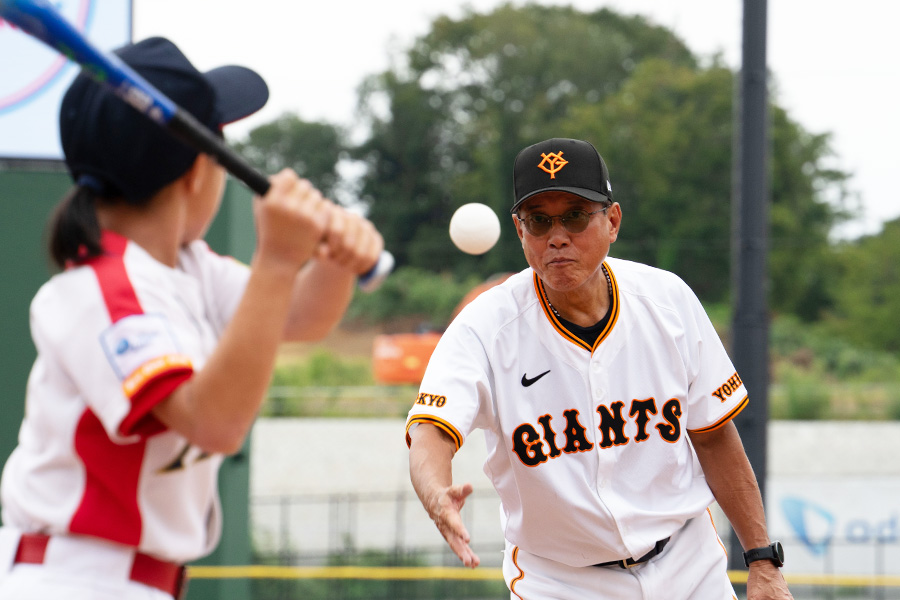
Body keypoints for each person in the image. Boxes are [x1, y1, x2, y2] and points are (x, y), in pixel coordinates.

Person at [0, 37, 383, 600]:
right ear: (194, 170)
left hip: (128, 580)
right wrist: (276, 257)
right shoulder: (102, 290)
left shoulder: (188, 268)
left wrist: (331, 260)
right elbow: (213, 423)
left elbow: (298, 317)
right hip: (75, 577)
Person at [406, 138, 792, 599]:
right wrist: (434, 489)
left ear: (612, 221)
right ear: (519, 231)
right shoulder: (484, 327)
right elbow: (433, 429)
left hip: (687, 566)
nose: (557, 235)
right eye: (538, 220)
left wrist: (762, 560)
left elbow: (714, 435)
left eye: (574, 215)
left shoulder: (667, 301)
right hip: (563, 580)